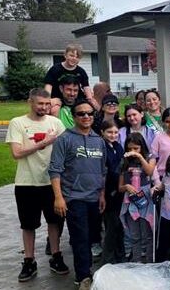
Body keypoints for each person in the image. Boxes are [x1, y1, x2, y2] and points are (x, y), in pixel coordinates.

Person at [7, 88, 68, 282]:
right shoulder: (17, 123)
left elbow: (67, 148)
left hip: (51, 182)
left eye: (47, 104)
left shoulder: (56, 123)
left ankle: (56, 256)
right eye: (40, 103)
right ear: (30, 102)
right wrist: (44, 143)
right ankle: (29, 260)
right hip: (26, 182)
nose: (44, 107)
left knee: (54, 221)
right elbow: (16, 153)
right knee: (28, 225)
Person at [48, 99, 106, 290]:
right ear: (74, 117)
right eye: (81, 113)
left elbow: (102, 171)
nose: (86, 116)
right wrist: (59, 198)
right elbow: (55, 170)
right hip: (74, 198)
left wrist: (102, 195)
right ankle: (83, 277)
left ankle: (87, 271)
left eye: (90, 113)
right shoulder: (64, 139)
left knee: (92, 238)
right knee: (80, 238)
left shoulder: (99, 141)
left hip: (95, 198)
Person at [118, 133, 155, 263]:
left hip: (146, 200)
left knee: (148, 234)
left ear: (142, 147)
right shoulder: (124, 161)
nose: (133, 151)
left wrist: (140, 157)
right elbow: (120, 187)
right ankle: (136, 261)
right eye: (130, 149)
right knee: (134, 236)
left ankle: (149, 262)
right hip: (130, 201)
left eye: (136, 148)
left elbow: (149, 171)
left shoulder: (150, 157)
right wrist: (126, 186)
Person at [99, 121, 126, 265]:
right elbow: (102, 172)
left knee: (119, 226)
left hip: (119, 192)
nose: (113, 135)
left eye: (116, 132)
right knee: (111, 226)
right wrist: (102, 194)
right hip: (108, 193)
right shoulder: (101, 147)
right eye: (109, 132)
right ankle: (107, 260)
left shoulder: (118, 146)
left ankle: (120, 256)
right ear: (102, 132)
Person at [44, 43, 97, 109]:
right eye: (71, 55)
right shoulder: (55, 69)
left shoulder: (81, 71)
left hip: (76, 99)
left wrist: (90, 99)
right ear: (65, 55)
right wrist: (47, 100)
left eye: (77, 57)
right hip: (58, 99)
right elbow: (48, 86)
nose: (74, 58)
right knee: (54, 109)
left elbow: (86, 87)